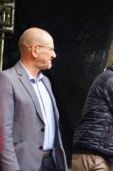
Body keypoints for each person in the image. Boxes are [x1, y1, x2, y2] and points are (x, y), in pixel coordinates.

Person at [0, 27, 68, 171]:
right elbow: (3, 133)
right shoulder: (7, 79)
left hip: (52, 163)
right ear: (35, 50)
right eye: (51, 49)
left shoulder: (46, 82)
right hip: (24, 165)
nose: (54, 55)